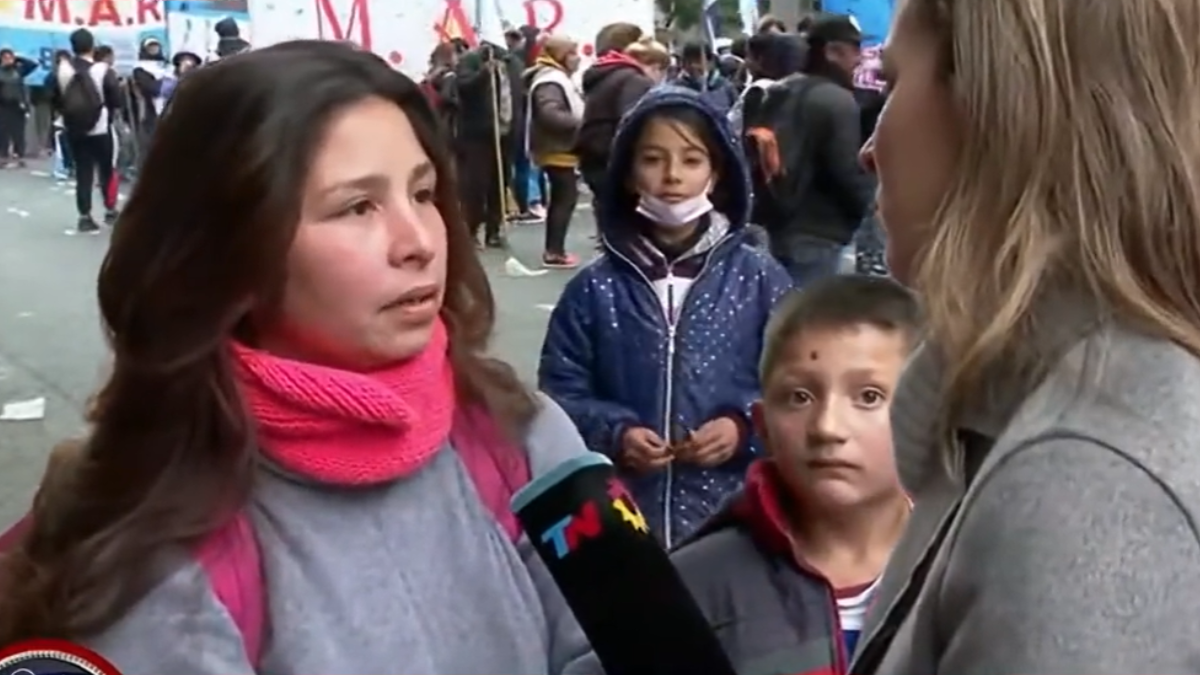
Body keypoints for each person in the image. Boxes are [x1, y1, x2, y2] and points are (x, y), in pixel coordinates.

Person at [0, 40, 596, 674]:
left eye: (422, 194)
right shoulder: (160, 575)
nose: (420, 241)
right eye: (356, 207)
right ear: (232, 251)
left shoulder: (520, 435)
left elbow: (631, 641)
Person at [850, 0, 1200, 673]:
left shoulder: (1090, 476)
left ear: (995, 106)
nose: (870, 149)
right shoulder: (1073, 410)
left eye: (891, 85)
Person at [540, 87, 793, 546]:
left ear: (717, 173)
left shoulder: (761, 280)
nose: (672, 176)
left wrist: (743, 427)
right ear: (629, 174)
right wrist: (615, 433)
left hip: (735, 523)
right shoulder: (593, 290)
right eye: (653, 159)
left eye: (692, 160)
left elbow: (796, 388)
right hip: (624, 524)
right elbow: (559, 396)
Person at [757, 14, 873, 286]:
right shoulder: (837, 101)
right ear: (832, 51)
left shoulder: (781, 89)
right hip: (818, 234)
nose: (859, 58)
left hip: (775, 225)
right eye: (854, 49)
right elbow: (847, 173)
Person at [575, 22, 654, 222]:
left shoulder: (602, 75)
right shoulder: (632, 79)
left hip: (596, 159)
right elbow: (633, 124)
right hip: (619, 164)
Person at [52, 28, 123, 234]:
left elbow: (56, 99)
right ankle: (110, 210)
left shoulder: (63, 70)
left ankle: (84, 216)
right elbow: (116, 100)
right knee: (106, 169)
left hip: (74, 128)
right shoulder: (102, 70)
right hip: (101, 127)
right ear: (92, 46)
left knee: (83, 171)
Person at [524, 35, 584, 269]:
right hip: (558, 148)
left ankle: (555, 249)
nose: (576, 58)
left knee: (564, 198)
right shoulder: (551, 80)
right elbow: (549, 113)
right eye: (572, 53)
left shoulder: (556, 77)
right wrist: (581, 123)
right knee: (564, 199)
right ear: (561, 55)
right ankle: (554, 251)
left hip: (561, 147)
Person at [455, 41, 517, 248]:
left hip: (506, 131)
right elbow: (463, 87)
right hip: (478, 133)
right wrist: (484, 73)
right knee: (476, 184)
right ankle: (471, 230)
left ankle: (494, 229)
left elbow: (518, 94)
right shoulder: (471, 61)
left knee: (500, 183)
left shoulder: (512, 62)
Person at [672, 42, 738, 113]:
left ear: (710, 62)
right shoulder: (678, 88)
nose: (693, 66)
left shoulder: (725, 87)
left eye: (698, 61)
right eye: (689, 62)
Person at [0, 48, 36, 168]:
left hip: (17, 106)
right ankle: (3, 157)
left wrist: (18, 59)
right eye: (5, 58)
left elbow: (33, 65)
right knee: (3, 133)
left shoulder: (18, 70)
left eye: (9, 57)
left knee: (18, 133)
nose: (7, 60)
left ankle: (20, 155)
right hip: (3, 106)